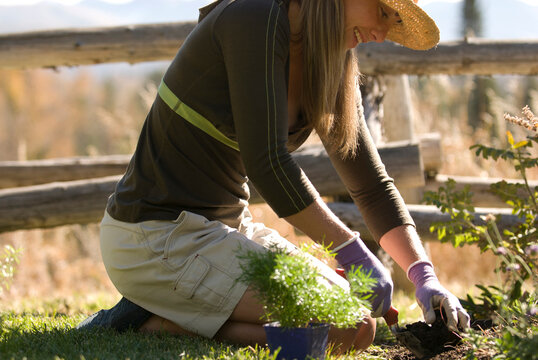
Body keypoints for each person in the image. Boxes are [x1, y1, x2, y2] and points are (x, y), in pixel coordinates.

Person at [77, 0, 470, 351]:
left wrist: (423, 277)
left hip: (225, 233)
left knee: (357, 324)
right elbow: (267, 162)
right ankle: (153, 321)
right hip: (155, 236)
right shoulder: (256, 16)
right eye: (382, 11)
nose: (383, 33)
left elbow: (370, 185)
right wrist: (351, 250)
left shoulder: (331, 59)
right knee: (343, 326)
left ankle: (177, 304)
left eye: (394, 20)